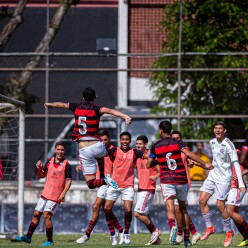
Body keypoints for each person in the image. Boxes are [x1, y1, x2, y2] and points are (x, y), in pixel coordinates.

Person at [44, 87, 132, 190]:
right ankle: (104, 176)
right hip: (97, 146)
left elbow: (61, 105)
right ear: (95, 97)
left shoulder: (76, 107)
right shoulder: (97, 109)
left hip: (84, 149)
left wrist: (51, 105)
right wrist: (125, 116)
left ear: (83, 97)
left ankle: (104, 180)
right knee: (102, 154)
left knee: (91, 184)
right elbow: (111, 111)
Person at [146, 120, 214, 247]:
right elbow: (188, 153)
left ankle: (173, 226)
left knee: (170, 207)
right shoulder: (178, 143)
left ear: (160, 130)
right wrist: (205, 164)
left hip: (167, 180)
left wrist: (159, 161)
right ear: (170, 131)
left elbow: (148, 164)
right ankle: (187, 239)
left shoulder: (156, 145)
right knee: (182, 209)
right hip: (181, 180)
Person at [198, 121, 246, 247]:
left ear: (224, 131)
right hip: (213, 175)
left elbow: (236, 163)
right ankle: (209, 227)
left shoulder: (229, 145)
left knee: (220, 205)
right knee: (202, 200)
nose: (218, 130)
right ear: (214, 130)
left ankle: (229, 231)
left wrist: (241, 183)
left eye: (220, 128)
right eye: (216, 128)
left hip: (225, 179)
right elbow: (215, 161)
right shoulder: (212, 142)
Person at [15, 141, 72, 247]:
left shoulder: (66, 165)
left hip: (56, 195)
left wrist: (63, 193)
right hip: (46, 193)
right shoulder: (49, 161)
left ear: (64, 151)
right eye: (58, 149)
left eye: (62, 149)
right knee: (36, 214)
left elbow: (69, 181)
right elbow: (42, 175)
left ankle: (50, 241)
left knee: (47, 216)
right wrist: (39, 168)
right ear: (55, 150)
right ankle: (28, 237)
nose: (60, 151)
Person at [76, 130, 123, 244]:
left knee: (96, 206)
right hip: (102, 182)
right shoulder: (98, 150)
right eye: (101, 140)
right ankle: (121, 231)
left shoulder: (113, 150)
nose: (103, 142)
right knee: (106, 209)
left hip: (111, 182)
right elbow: (90, 161)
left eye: (105, 140)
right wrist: (82, 166)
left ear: (109, 140)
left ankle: (87, 234)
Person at [104, 132, 147, 245]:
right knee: (107, 208)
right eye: (123, 139)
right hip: (114, 184)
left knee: (128, 210)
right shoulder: (113, 151)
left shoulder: (134, 152)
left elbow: (147, 156)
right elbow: (99, 156)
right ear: (120, 140)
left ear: (130, 140)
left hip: (127, 185)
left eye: (127, 139)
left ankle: (126, 233)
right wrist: (82, 164)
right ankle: (113, 235)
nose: (125, 141)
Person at [171, 131, 202, 245]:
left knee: (179, 209)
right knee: (179, 209)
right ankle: (194, 232)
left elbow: (191, 160)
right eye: (173, 138)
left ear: (181, 139)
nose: (175, 140)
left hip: (182, 183)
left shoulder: (184, 150)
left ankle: (181, 233)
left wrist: (204, 164)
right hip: (172, 182)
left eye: (177, 138)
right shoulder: (169, 150)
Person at [134, 135, 161, 245]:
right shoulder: (137, 156)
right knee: (145, 214)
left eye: (140, 144)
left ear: (145, 144)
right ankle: (157, 239)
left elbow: (160, 171)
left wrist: (155, 177)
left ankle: (155, 231)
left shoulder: (151, 156)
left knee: (137, 213)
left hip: (148, 188)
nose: (138, 146)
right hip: (141, 188)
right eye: (137, 144)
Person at [225, 133, 248, 247]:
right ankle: (245, 237)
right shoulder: (222, 156)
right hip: (230, 188)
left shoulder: (239, 154)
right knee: (234, 214)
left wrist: (241, 174)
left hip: (238, 186)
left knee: (229, 212)